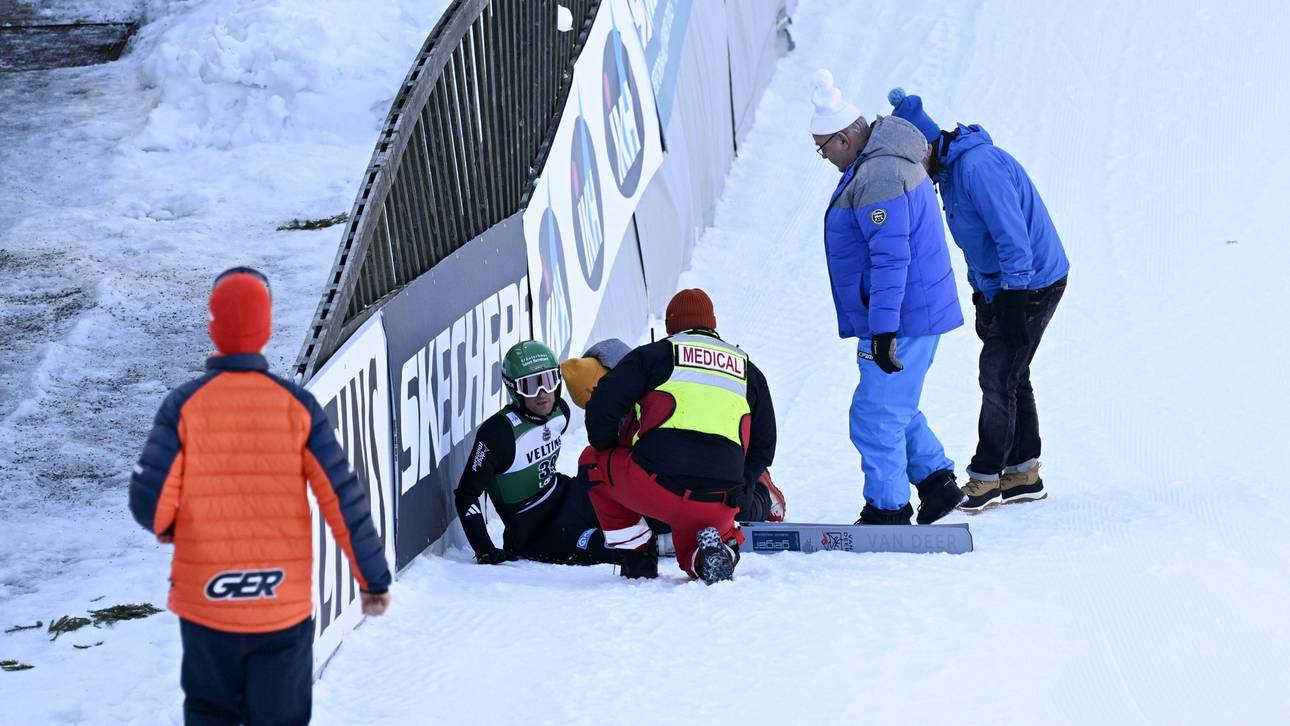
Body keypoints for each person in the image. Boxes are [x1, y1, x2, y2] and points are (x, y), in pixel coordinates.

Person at [128, 266, 392, 725]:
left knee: (211, 713)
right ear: (267, 329)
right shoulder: (297, 409)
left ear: (213, 327)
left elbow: (149, 502)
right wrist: (371, 580)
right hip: (281, 609)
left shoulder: (183, 407)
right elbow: (342, 499)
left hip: (207, 606)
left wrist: (170, 527)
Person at [888, 88, 1070, 512]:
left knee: (997, 375)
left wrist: (1011, 299)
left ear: (925, 147)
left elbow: (1012, 238)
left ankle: (986, 478)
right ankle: (1024, 473)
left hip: (1032, 281)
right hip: (1005, 286)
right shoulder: (949, 176)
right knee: (1011, 373)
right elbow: (977, 244)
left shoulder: (977, 167)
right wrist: (983, 295)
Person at [809, 69, 966, 526]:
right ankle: (936, 481)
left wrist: (882, 331)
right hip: (914, 312)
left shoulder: (879, 174)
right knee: (892, 403)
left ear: (843, 137)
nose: (826, 159)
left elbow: (891, 259)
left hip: (903, 317)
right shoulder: (881, 159)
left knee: (875, 414)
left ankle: (888, 508)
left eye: (824, 149)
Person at [580, 289, 776, 584]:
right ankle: (714, 551)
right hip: (719, 499)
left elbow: (602, 407)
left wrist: (615, 450)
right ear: (712, 324)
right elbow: (765, 447)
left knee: (593, 461)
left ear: (671, 326)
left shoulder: (655, 355)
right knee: (696, 537)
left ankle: (638, 557)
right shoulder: (749, 370)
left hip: (657, 487)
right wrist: (742, 488)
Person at [563, 339, 787, 526]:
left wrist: (748, 478)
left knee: (736, 509)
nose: (611, 412)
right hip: (676, 476)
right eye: (589, 407)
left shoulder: (657, 385)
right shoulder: (629, 398)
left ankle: (761, 491)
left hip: (717, 464)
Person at [453, 340, 627, 570]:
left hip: (565, 495)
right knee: (614, 547)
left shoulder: (560, 412)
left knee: (630, 506)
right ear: (513, 389)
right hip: (534, 528)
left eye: (547, 381)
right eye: (530, 386)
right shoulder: (498, 434)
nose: (542, 394)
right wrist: (484, 549)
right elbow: (466, 494)